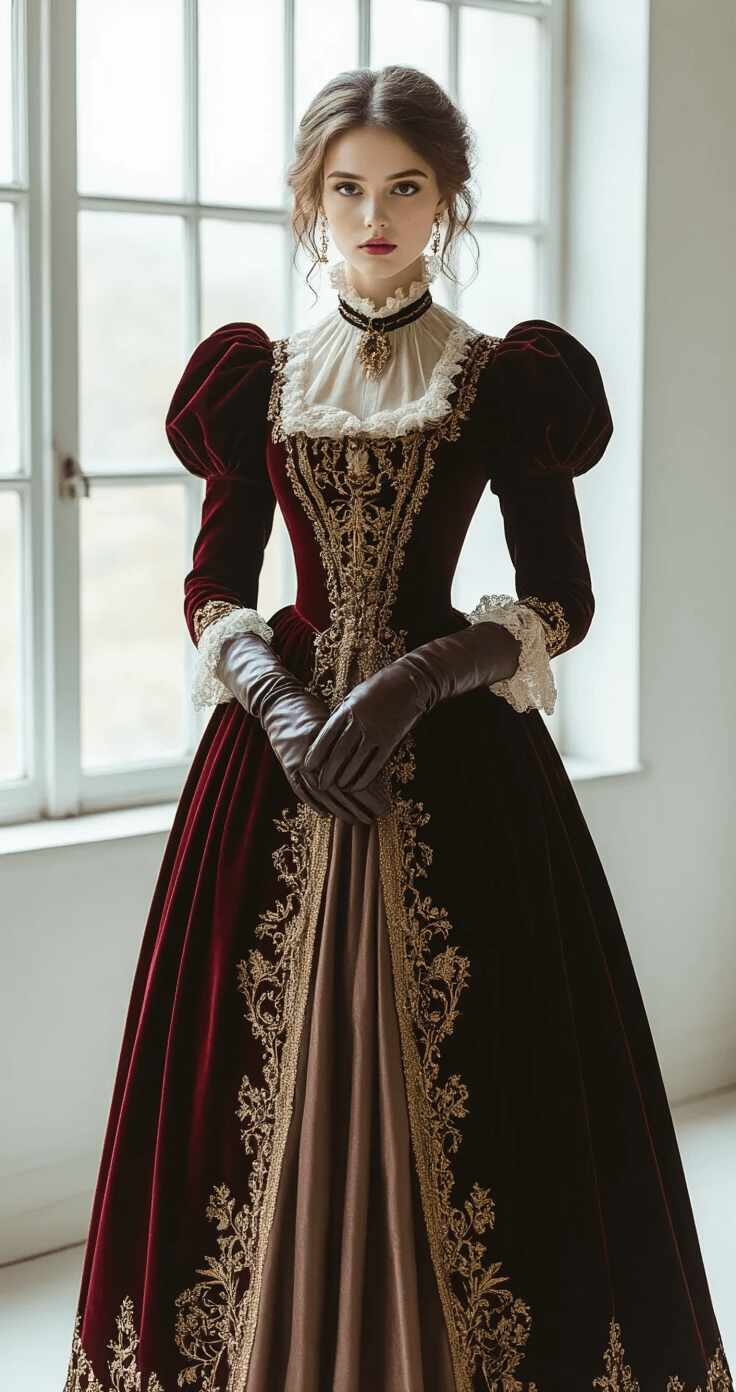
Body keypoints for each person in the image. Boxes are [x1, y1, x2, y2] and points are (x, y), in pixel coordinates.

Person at [65, 66, 731, 1392]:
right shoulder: (259, 380)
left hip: (456, 753)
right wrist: (277, 699)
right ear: (312, 200)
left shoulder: (504, 380)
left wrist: (422, 679)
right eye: (348, 188)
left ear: (448, 199)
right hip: (284, 751)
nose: (375, 215)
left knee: (507, 1070)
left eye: (405, 187)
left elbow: (560, 597)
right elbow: (215, 586)